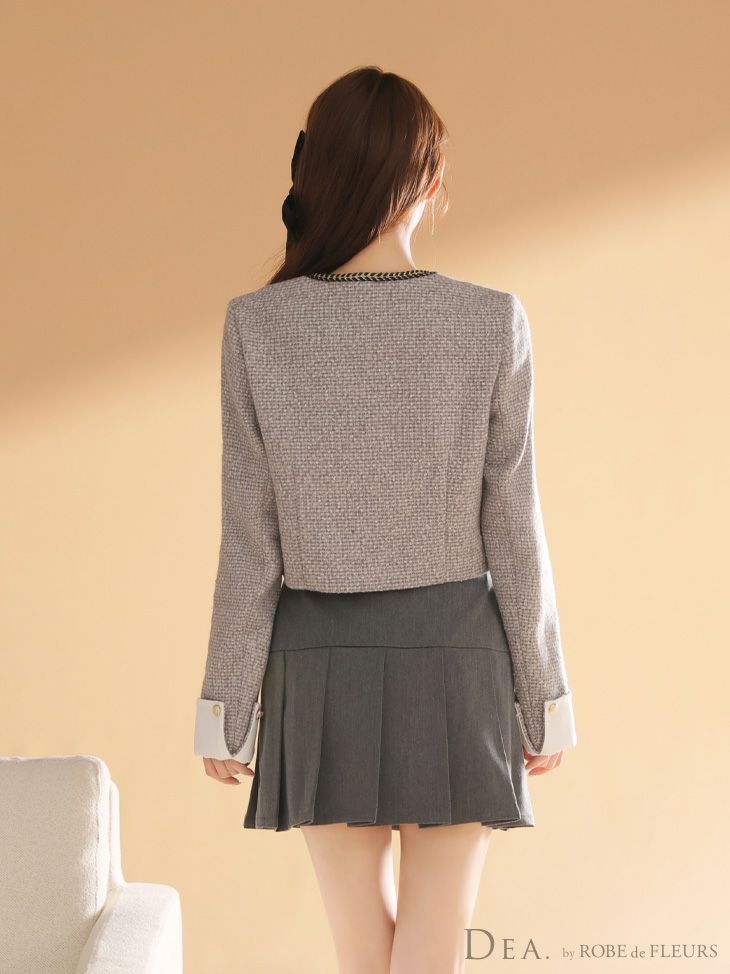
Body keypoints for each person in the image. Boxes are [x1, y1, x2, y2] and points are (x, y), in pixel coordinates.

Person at [193, 65, 577, 974]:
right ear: (433, 181)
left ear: (315, 172)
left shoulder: (257, 326)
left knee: (361, 950)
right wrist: (545, 699)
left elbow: (250, 542)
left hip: (316, 665)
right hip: (458, 660)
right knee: (434, 943)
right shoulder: (492, 321)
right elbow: (513, 527)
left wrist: (225, 709)